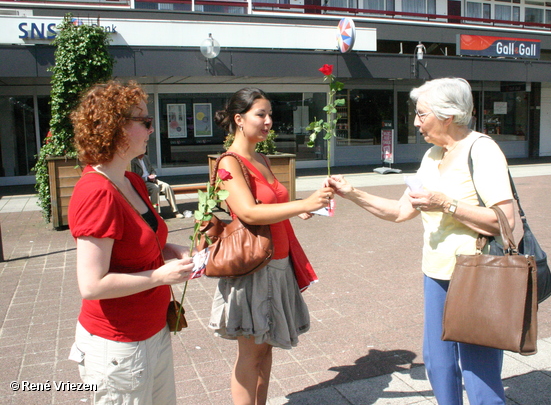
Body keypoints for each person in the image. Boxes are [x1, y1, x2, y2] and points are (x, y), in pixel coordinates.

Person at [326, 77, 516, 405]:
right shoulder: (431, 156)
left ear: (448, 114)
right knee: (439, 364)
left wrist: (447, 204)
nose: (415, 122)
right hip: (436, 275)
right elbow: (401, 211)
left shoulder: (482, 150)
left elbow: (506, 221)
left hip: (475, 276)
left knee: (478, 370)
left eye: (421, 114)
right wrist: (352, 193)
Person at [67, 81, 194, 404]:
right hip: (118, 346)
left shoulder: (131, 180)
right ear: (117, 127)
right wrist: (161, 276)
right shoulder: (97, 192)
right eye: (145, 122)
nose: (152, 129)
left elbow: (143, 241)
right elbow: (92, 285)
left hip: (153, 331)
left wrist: (173, 250)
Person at [208, 88, 334, 405]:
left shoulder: (260, 158)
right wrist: (300, 204)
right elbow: (248, 211)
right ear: (239, 119)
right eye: (260, 114)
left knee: (264, 351)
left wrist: (301, 207)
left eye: (270, 115)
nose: (268, 121)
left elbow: (271, 203)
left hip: (277, 264)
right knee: (250, 355)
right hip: (252, 268)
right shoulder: (229, 163)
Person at [130, 153, 184, 218]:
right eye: (141, 153)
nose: (143, 154)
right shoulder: (132, 161)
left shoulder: (146, 158)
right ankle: (156, 213)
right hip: (142, 182)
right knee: (155, 188)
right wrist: (147, 178)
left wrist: (153, 175)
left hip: (152, 180)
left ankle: (176, 211)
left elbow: (152, 169)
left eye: (143, 152)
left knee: (167, 186)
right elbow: (134, 176)